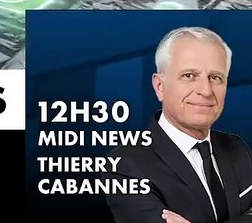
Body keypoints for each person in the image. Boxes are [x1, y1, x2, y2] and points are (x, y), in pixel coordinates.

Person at [105, 27, 252, 223]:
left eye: (216, 78)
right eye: (189, 76)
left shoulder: (236, 147)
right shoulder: (125, 164)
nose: (206, 91)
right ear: (159, 86)